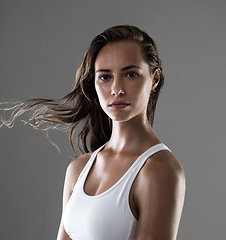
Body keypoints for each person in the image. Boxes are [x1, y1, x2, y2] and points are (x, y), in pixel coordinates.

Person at [1, 25, 186, 240]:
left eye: (131, 74)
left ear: (154, 79)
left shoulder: (159, 171)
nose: (117, 88)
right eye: (105, 77)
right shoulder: (78, 169)